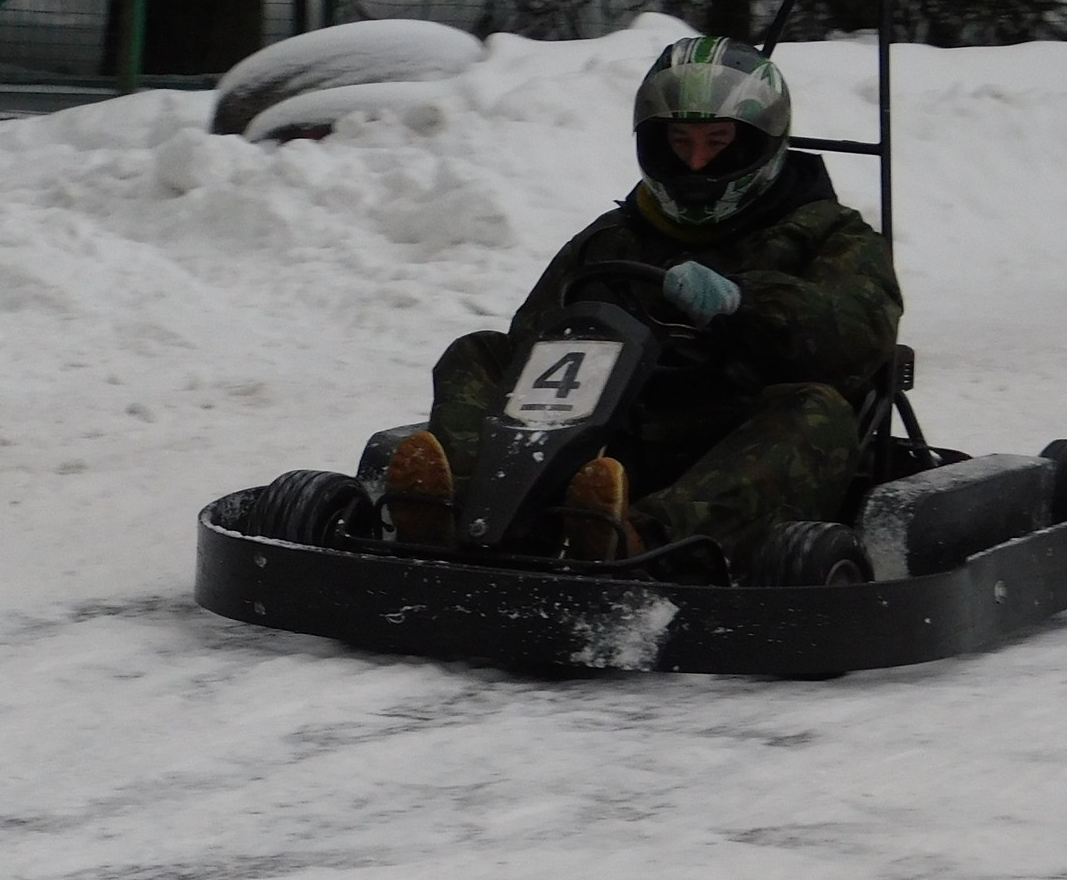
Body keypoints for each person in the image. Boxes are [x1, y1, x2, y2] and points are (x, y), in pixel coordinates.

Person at [384, 35, 903, 565]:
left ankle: (643, 541)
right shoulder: (615, 236)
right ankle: (470, 512)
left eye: (718, 142)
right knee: (481, 353)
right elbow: (533, 343)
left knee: (817, 410)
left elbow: (862, 337)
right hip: (613, 437)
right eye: (680, 142)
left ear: (759, 144)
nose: (697, 163)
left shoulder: (831, 235)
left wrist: (743, 303)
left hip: (731, 435)